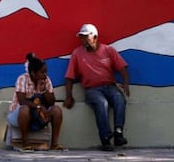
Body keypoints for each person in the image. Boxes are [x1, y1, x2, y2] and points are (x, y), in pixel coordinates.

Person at [63, 23, 130, 151]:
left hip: (109, 86)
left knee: (119, 99)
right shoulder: (77, 53)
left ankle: (118, 133)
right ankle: (105, 139)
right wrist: (69, 96)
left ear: (95, 37)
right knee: (101, 103)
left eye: (85, 37)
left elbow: (122, 67)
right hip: (92, 89)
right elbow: (69, 77)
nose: (83, 40)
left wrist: (126, 82)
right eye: (81, 37)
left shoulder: (108, 50)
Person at [7, 53, 64, 152]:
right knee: (25, 109)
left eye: (46, 72)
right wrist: (39, 107)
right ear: (33, 73)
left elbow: (52, 103)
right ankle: (25, 144)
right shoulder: (22, 79)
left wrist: (44, 90)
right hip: (19, 116)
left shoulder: (46, 81)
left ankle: (54, 145)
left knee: (57, 111)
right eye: (42, 72)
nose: (45, 75)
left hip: (38, 116)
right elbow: (22, 101)